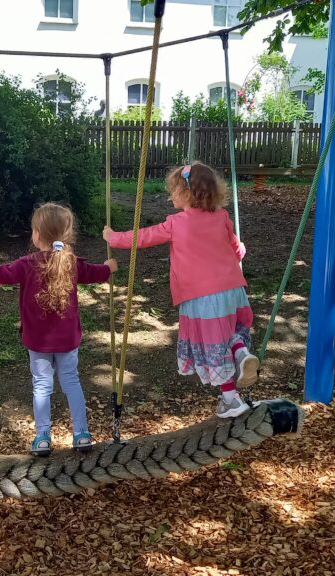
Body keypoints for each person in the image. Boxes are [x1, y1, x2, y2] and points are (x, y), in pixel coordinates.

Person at [0, 203, 116, 456]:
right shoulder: (72, 263)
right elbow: (96, 273)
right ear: (67, 234)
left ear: (36, 234)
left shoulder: (27, 263)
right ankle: (82, 434)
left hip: (38, 340)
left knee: (42, 385)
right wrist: (109, 268)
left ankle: (42, 437)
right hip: (68, 340)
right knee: (71, 381)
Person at [104, 161, 258, 418]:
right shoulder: (221, 217)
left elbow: (143, 237)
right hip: (234, 290)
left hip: (202, 298)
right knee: (230, 336)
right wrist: (237, 252)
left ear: (188, 193)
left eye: (174, 190)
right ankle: (240, 356)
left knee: (213, 347)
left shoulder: (176, 223)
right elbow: (237, 248)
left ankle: (232, 398)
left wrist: (113, 237)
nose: (170, 195)